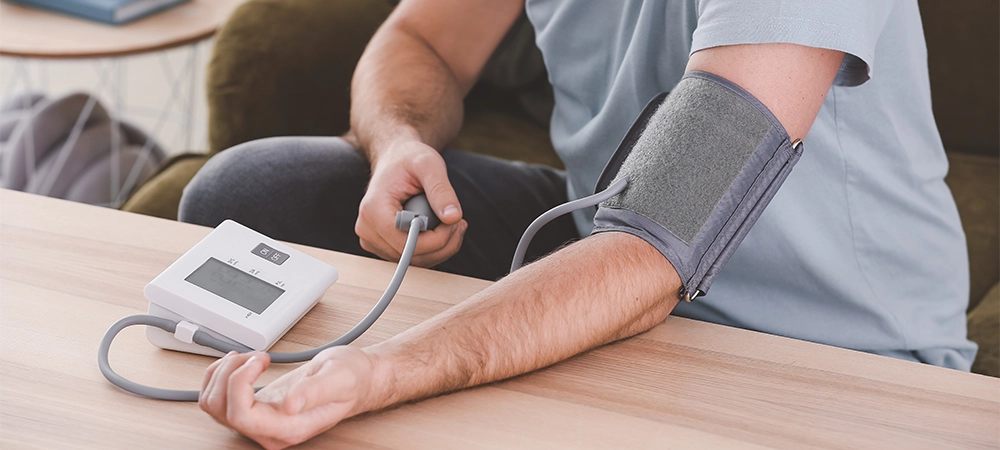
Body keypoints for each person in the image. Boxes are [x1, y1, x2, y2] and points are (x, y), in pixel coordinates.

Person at [179, 1, 976, 448]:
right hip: (607, 230)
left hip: (829, 339)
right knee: (256, 192)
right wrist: (399, 140)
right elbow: (420, 38)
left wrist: (380, 371)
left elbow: (658, 243)